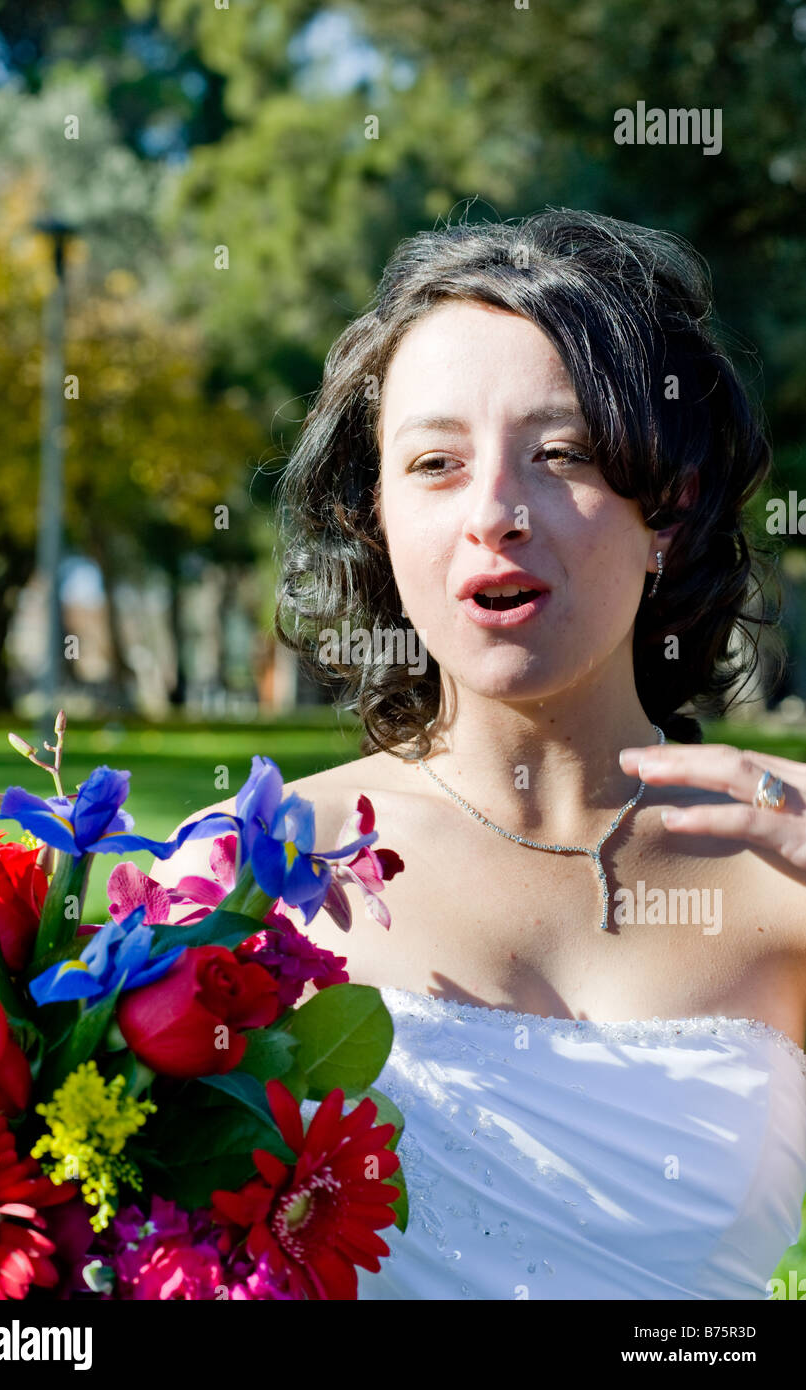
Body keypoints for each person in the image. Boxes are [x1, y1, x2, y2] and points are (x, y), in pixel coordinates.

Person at [150, 209, 806, 1300]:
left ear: (669, 508)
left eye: (562, 454)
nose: (494, 512)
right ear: (377, 516)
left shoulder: (785, 856)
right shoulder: (253, 868)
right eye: (435, 463)